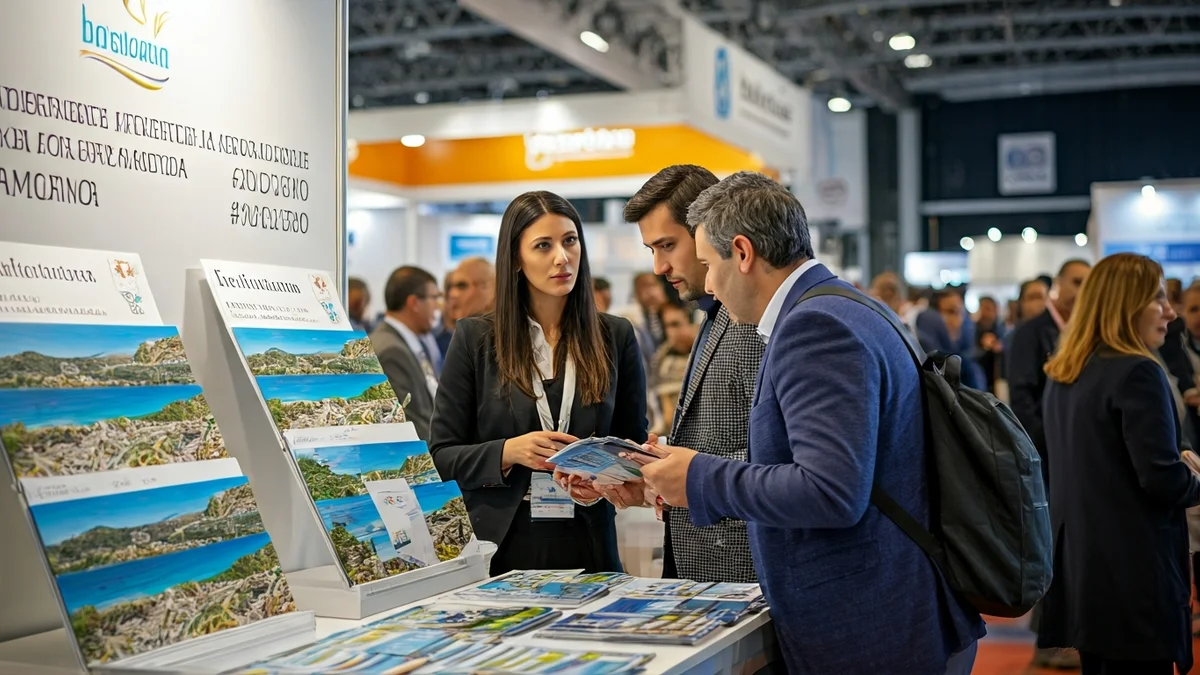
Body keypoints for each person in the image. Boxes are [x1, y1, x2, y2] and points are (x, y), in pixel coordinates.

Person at [631, 171, 983, 674]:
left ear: (744, 252)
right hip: (887, 609)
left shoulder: (814, 327)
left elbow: (831, 490)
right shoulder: (847, 306)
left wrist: (695, 477)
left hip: (867, 625)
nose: (707, 283)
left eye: (708, 263)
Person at [428, 191, 648, 575]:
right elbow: (442, 456)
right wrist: (509, 451)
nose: (561, 257)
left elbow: (631, 446)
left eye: (569, 241)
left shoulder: (615, 335)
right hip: (500, 542)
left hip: (589, 537)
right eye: (543, 246)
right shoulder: (476, 339)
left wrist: (601, 479)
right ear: (516, 258)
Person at [1038, 253, 1200, 675]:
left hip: (1085, 570)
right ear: (1126, 305)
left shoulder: (1065, 372)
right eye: (1158, 298)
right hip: (1134, 573)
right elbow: (1161, 479)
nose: (1170, 311)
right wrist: (1195, 475)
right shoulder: (1137, 372)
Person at [611, 163, 764, 584]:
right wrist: (650, 475)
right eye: (651, 251)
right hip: (707, 567)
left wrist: (686, 473)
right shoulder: (713, 315)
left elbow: (785, 464)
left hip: (746, 573)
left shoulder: (756, 319)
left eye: (667, 245)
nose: (659, 266)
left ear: (704, 233)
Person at [1007, 259, 1091, 480]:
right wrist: (1048, 441)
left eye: (1087, 285)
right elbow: (1021, 397)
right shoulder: (1029, 332)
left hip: (1080, 450)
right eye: (1077, 282)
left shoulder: (1086, 332)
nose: (1081, 291)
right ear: (1058, 283)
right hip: (1047, 452)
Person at [369, 267, 443, 441]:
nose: (438, 305)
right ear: (414, 303)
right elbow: (409, 420)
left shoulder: (407, 341)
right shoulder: (390, 351)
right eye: (434, 298)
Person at [915, 290, 986, 391]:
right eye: (951, 312)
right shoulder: (922, 366)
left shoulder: (969, 369)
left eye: (960, 312)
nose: (958, 319)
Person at [649, 302, 696, 435]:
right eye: (668, 326)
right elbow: (667, 417)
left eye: (676, 324)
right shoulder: (662, 360)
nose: (673, 331)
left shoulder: (709, 351)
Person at [438, 257, 496, 356]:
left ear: (490, 289)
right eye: (450, 287)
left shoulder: (508, 340)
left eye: (462, 286)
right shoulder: (436, 341)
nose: (452, 294)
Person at [974, 296, 1005, 393]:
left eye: (988, 309)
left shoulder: (1003, 331)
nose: (984, 313)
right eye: (981, 308)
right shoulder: (972, 330)